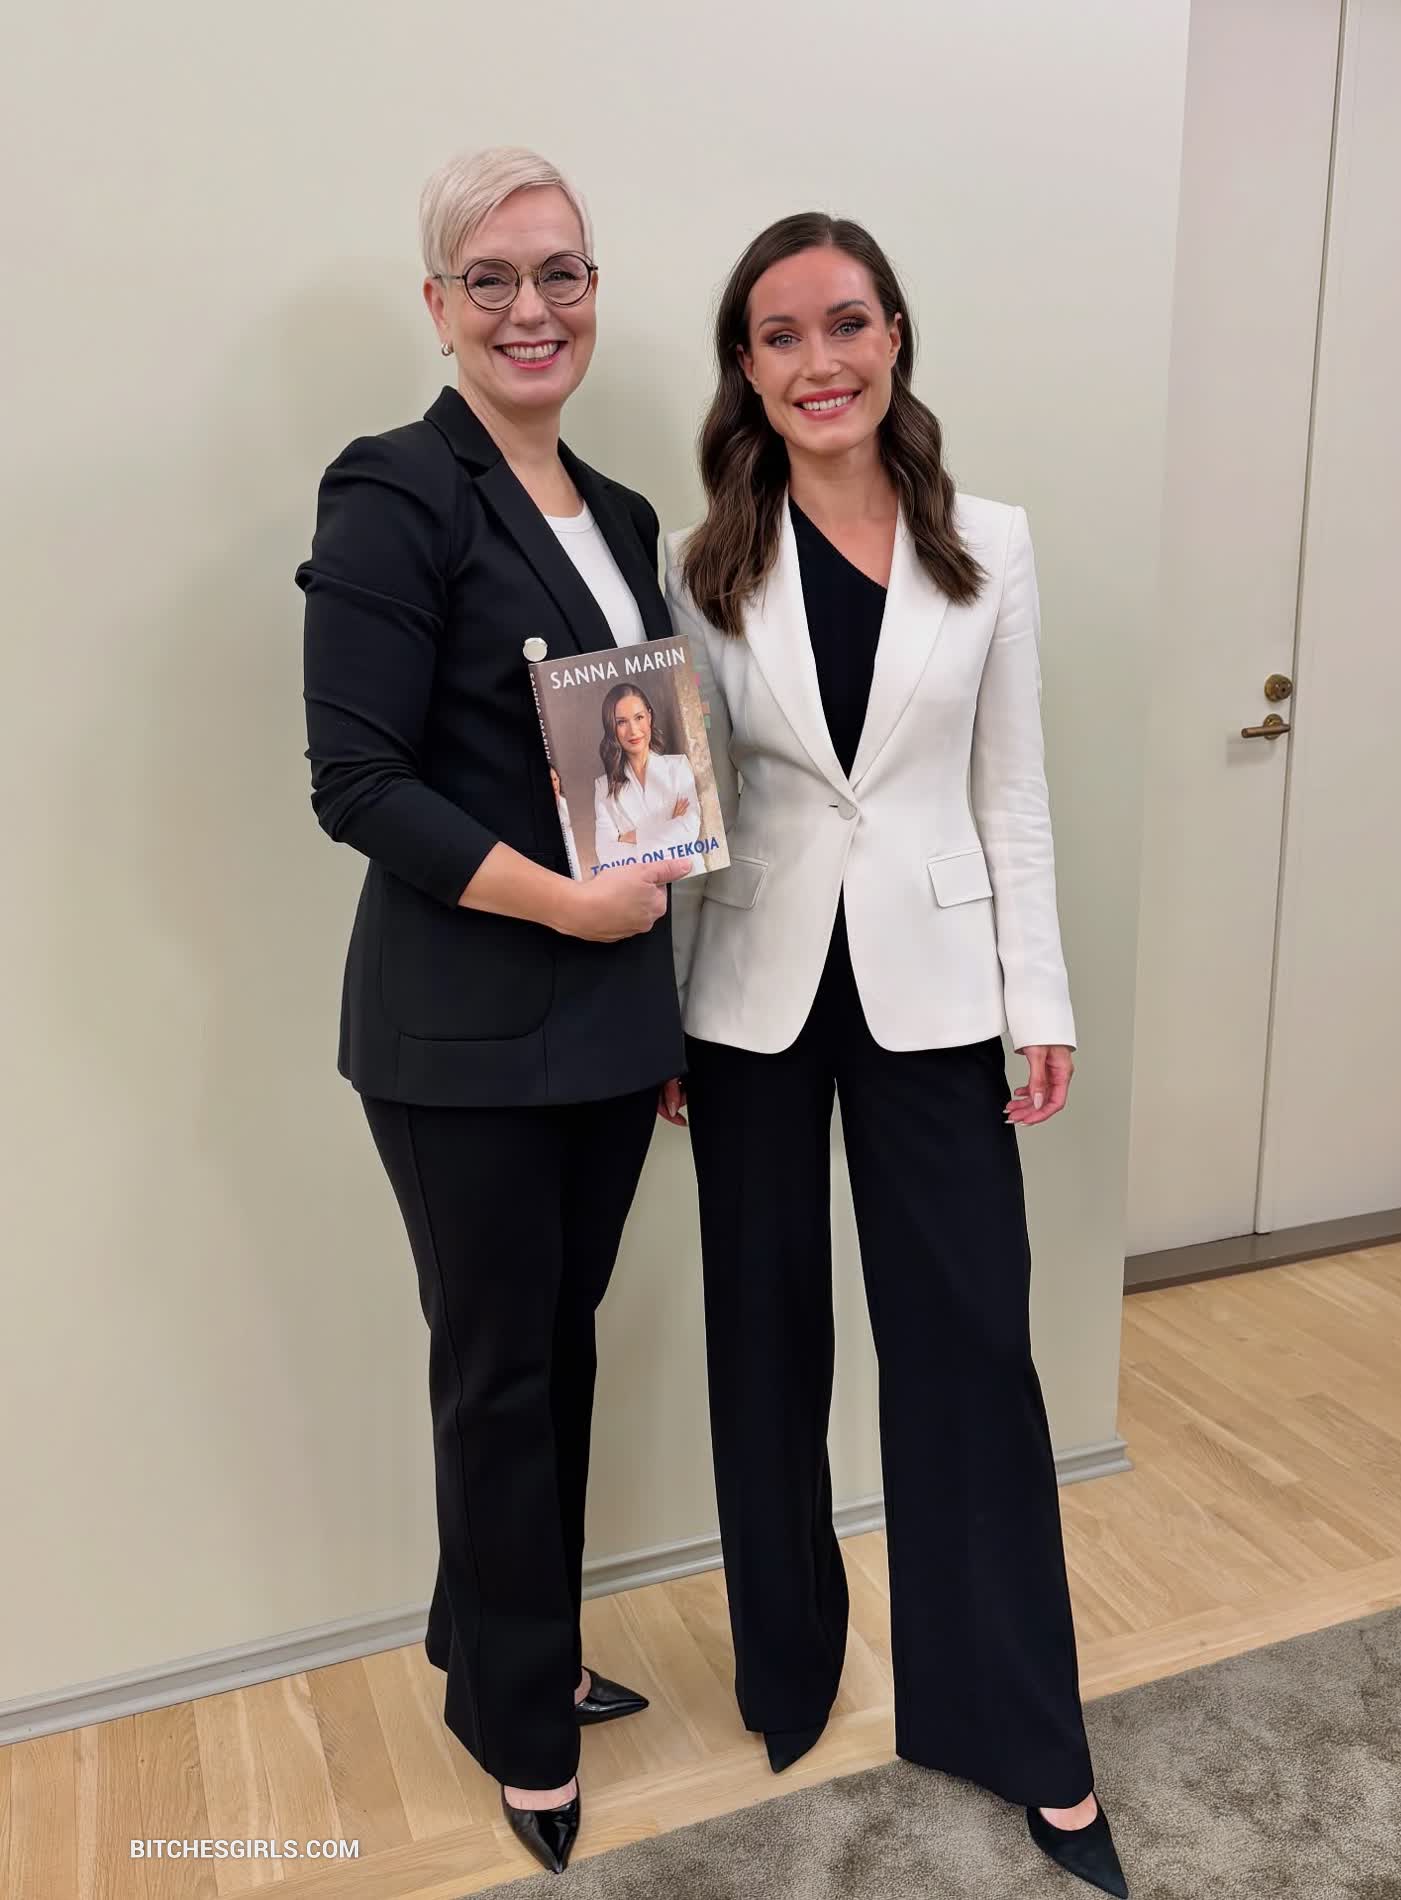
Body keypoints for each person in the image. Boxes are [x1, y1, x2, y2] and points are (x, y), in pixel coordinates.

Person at [658, 213, 1129, 1899]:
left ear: (895, 337)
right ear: (746, 368)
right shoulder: (704, 563)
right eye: (780, 335)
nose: (819, 361)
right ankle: (787, 1678)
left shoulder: (988, 542)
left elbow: (1013, 786)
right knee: (763, 1345)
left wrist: (1038, 998)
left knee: (971, 1356)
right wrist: (658, 1008)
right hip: (751, 997)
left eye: (845, 323)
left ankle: (1021, 1735)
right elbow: (682, 807)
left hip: (937, 990)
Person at [296, 146, 689, 1879]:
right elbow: (357, 782)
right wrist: (569, 906)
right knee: (500, 1372)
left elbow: (635, 771)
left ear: (594, 292)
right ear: (440, 303)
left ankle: (496, 1638)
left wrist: (652, 986)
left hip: (606, 1020)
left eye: (562, 274)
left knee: (553, 1346)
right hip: (462, 1029)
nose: (533, 308)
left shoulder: (623, 513)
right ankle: (522, 1721)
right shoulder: (395, 489)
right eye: (493, 277)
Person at [592, 683, 701, 867]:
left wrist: (632, 837)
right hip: (641, 882)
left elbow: (689, 830)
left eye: (639, 717)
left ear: (649, 717)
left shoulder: (678, 766)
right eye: (621, 722)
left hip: (690, 873)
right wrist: (670, 825)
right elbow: (608, 856)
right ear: (612, 728)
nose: (633, 730)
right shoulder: (603, 787)